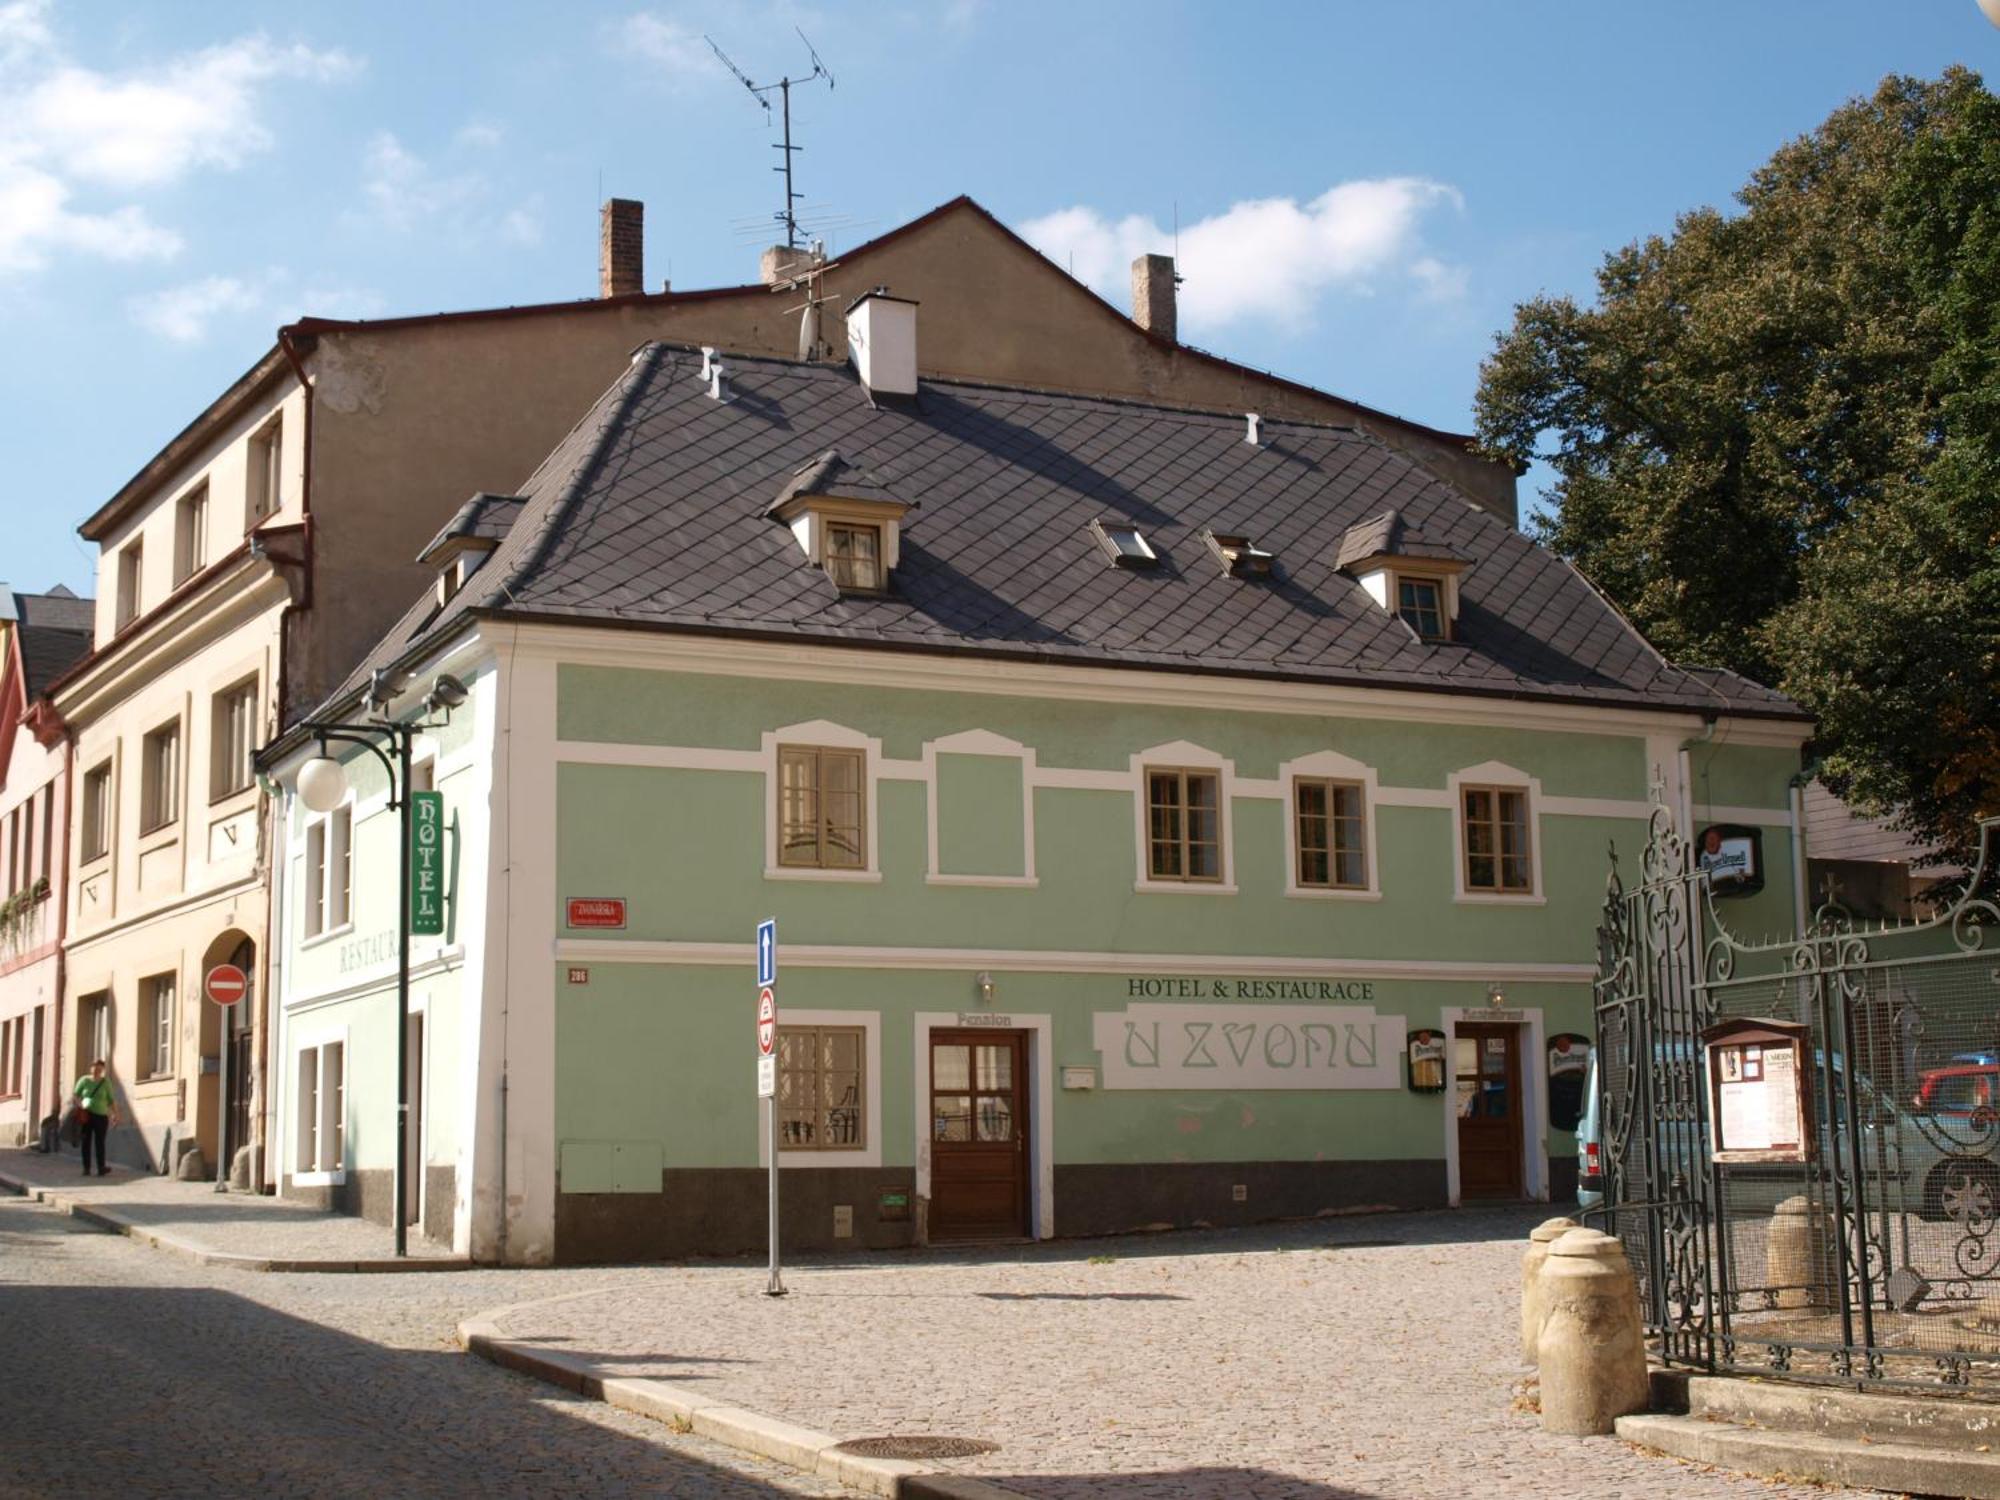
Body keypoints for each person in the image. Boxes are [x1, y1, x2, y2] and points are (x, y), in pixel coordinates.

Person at [72, 1060, 117, 1177]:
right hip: (86, 1115)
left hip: (101, 1115)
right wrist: (80, 1104)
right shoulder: (84, 1080)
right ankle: (86, 1168)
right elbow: (75, 1095)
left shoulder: (105, 1082)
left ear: (103, 1070)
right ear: (91, 1068)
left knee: (100, 1142)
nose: (97, 1071)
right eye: (95, 1068)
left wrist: (115, 1114)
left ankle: (101, 1167)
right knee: (86, 1141)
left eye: (100, 1069)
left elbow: (110, 1099)